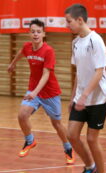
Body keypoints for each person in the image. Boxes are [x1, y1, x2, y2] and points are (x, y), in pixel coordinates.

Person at [7, 19, 75, 165]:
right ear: (29, 33)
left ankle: (68, 148)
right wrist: (12, 64)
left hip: (50, 92)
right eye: (33, 32)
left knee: (56, 124)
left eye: (38, 32)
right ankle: (29, 141)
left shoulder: (48, 51)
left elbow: (46, 74)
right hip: (33, 90)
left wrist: (35, 93)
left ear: (44, 34)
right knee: (22, 115)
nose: (35, 34)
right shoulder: (27, 47)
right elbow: (21, 53)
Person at [65, 4, 106, 173]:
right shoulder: (75, 43)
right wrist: (73, 97)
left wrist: (85, 96)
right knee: (71, 135)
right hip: (81, 97)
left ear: (80, 20)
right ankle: (90, 167)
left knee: (92, 139)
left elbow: (99, 71)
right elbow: (79, 72)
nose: (67, 26)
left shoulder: (96, 41)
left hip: (98, 98)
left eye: (69, 22)